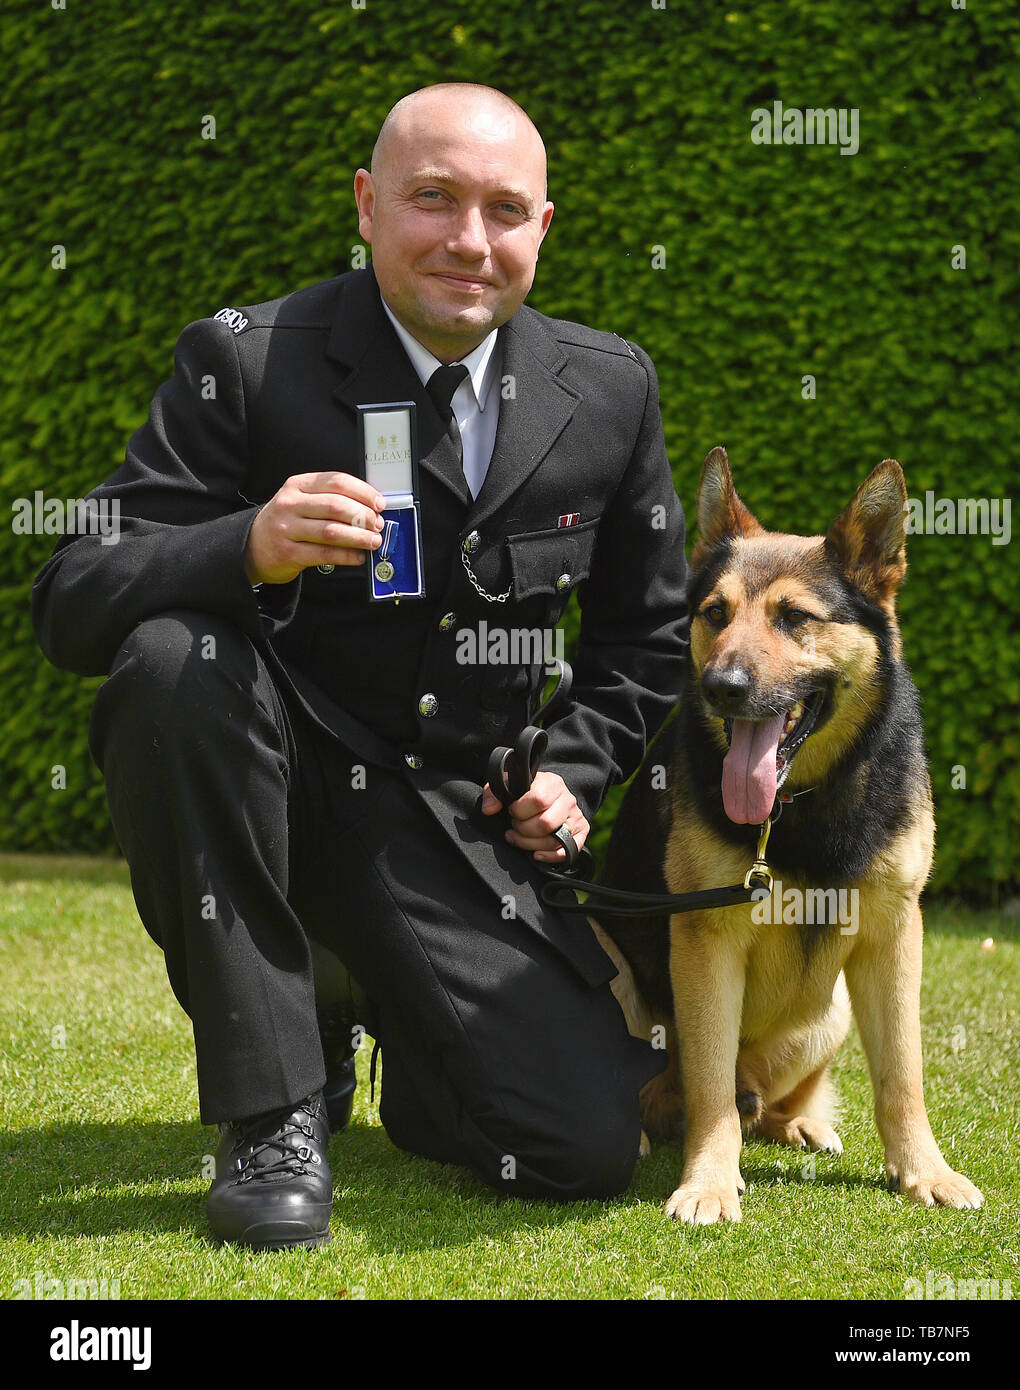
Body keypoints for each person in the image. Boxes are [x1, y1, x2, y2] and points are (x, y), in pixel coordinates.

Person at [32, 83, 690, 1250]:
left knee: (580, 1145)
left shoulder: (611, 389)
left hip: (452, 822)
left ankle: (364, 1001)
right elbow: (75, 596)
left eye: (503, 209)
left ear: (545, 227)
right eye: (432, 200)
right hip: (269, 782)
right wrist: (245, 543)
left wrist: (575, 773)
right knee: (169, 662)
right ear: (367, 205)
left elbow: (646, 636)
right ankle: (273, 1105)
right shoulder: (244, 361)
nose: (468, 241)